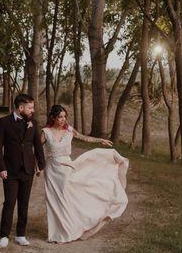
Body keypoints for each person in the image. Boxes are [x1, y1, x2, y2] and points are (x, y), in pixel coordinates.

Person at [40, 104, 129, 243]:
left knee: (68, 199)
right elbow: (36, 149)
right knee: (54, 201)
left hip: (67, 167)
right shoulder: (45, 132)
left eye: (64, 117)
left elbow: (84, 138)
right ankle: (57, 234)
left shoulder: (69, 130)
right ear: (53, 117)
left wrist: (100, 140)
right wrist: (37, 166)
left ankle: (72, 228)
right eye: (60, 117)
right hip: (52, 169)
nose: (63, 119)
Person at [0, 93, 45, 249]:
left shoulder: (33, 123)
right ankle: (4, 236)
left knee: (24, 203)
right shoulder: (4, 123)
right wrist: (1, 168)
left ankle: (20, 234)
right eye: (30, 107)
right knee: (9, 202)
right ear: (20, 107)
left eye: (33, 107)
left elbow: (37, 145)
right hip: (10, 170)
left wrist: (40, 165)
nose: (33, 110)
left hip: (28, 169)